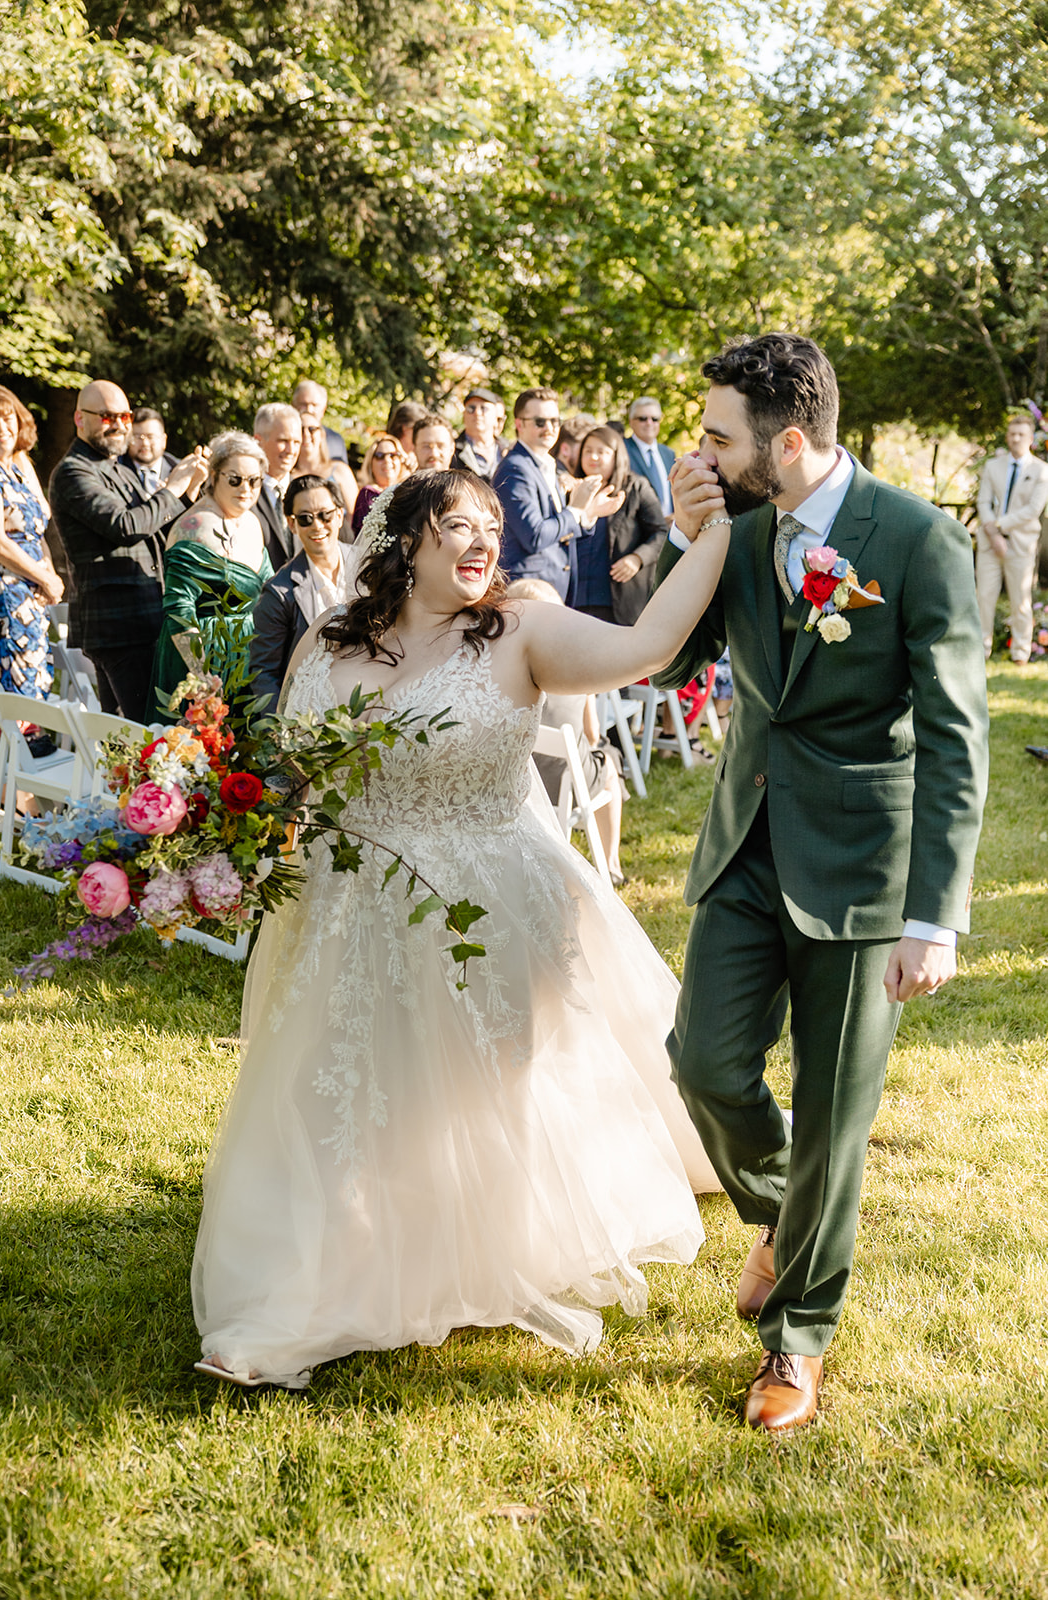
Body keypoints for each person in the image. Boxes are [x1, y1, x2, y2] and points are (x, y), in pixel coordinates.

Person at [191, 468, 732, 1389]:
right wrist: (214, 830)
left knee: (459, 1104)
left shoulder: (520, 631)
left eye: (491, 525)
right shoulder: (328, 637)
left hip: (483, 904)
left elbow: (649, 643)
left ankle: (415, 1252)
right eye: (458, 525)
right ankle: (306, 1272)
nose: (483, 541)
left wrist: (705, 531)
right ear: (406, 541)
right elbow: (293, 766)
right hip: (341, 902)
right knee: (334, 1090)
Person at [652, 333, 989, 1432]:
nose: (698, 454)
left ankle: (795, 1341)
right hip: (744, 843)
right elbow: (666, 657)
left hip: (861, 867)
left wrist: (933, 914)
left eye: (716, 438)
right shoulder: (736, 529)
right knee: (702, 1063)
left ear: (786, 442)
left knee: (836, 1109)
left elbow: (954, 737)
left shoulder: (918, 538)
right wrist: (682, 535)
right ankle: (786, 1215)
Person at [48, 380, 209, 721]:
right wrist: (173, 488)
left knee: (139, 735)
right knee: (140, 732)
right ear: (79, 419)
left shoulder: (119, 467)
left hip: (145, 620)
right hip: (117, 628)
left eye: (125, 416)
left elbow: (153, 530)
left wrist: (188, 492)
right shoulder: (73, 472)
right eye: (108, 417)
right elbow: (126, 527)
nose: (120, 425)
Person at [509, 577, 628, 886]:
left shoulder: (502, 670)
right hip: (564, 783)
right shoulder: (577, 667)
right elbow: (592, 733)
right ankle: (611, 865)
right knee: (609, 759)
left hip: (515, 782)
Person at [149, 433, 273, 720]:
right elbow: (179, 609)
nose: (246, 489)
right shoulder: (194, 526)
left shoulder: (252, 521)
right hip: (204, 656)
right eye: (235, 479)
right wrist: (201, 676)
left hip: (246, 656)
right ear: (214, 476)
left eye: (254, 481)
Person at [493, 388, 622, 600]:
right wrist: (575, 510)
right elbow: (535, 536)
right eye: (540, 422)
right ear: (519, 424)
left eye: (555, 421)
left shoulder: (545, 464)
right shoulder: (515, 469)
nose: (550, 428)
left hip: (556, 588)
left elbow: (561, 532)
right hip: (527, 592)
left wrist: (588, 514)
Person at [249, 475, 362, 713]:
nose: (317, 526)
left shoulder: (368, 566)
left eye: (325, 515)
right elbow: (264, 674)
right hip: (309, 715)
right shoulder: (279, 592)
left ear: (339, 515)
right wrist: (280, 729)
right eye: (305, 519)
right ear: (292, 524)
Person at [0, 383, 62, 696]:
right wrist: (45, 578)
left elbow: (38, 527)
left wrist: (49, 576)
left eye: (7, 418)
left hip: (33, 595)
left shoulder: (19, 464)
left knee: (36, 689)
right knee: (12, 695)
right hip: (2, 595)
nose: (1, 428)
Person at [570, 425, 669, 624]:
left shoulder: (636, 487)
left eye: (602, 452)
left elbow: (661, 531)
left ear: (616, 456)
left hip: (618, 599)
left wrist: (637, 558)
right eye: (588, 451)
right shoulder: (572, 489)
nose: (593, 457)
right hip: (575, 597)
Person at [975, 415, 1048, 663]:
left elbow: (1033, 510)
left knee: (1021, 600)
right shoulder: (992, 466)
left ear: (1030, 438)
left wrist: (999, 525)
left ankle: (1020, 653)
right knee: (984, 597)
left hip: (1021, 544)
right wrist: (994, 534)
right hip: (989, 543)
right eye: (1012, 433)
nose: (1016, 438)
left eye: (1021, 434)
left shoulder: (1041, 470)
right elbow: (983, 502)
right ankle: (981, 651)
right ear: (1007, 436)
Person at [253, 403, 303, 568]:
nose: (291, 450)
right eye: (283, 441)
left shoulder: (305, 491)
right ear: (258, 441)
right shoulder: (242, 491)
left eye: (296, 442)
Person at [292, 412, 360, 530]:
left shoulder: (340, 470)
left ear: (322, 434)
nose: (306, 434)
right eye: (300, 430)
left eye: (312, 429)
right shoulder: (287, 476)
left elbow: (355, 515)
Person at [625, 397, 676, 523]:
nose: (649, 423)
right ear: (631, 422)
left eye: (654, 419)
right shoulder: (622, 450)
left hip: (670, 528)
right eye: (643, 419)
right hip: (638, 529)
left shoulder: (668, 454)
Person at [351, 434, 411, 536]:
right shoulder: (367, 494)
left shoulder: (410, 490)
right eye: (379, 456)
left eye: (393, 455)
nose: (387, 460)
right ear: (371, 463)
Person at [453, 387, 510, 479]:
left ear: (496, 416)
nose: (477, 413)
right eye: (471, 408)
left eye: (483, 408)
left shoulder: (509, 449)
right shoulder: (452, 450)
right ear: (464, 415)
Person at [120, 408, 177, 494]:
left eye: (150, 437)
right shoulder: (117, 470)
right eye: (138, 437)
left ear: (163, 440)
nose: (145, 444)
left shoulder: (177, 470)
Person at [291, 379, 349, 463]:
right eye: (303, 404)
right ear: (293, 406)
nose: (309, 410)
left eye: (314, 405)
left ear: (323, 409)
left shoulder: (335, 441)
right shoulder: (282, 437)